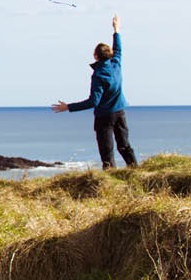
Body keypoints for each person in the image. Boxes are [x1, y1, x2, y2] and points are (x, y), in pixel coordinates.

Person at [52, 14, 138, 169]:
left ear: (96, 56)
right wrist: (116, 29)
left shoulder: (98, 75)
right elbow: (118, 48)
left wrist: (68, 107)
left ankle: (110, 179)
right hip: (120, 112)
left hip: (105, 116)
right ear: (109, 54)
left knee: (107, 151)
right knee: (124, 145)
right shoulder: (116, 63)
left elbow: (93, 102)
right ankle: (134, 169)